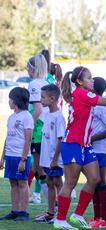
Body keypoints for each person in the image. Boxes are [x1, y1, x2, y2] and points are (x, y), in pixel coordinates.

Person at [53, 66, 106, 230]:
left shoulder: (81, 94)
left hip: (84, 144)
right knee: (70, 183)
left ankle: (77, 214)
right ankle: (60, 220)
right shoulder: (82, 93)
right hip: (73, 143)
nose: (92, 80)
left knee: (95, 179)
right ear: (80, 82)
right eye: (89, 78)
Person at [0, 87, 34, 221]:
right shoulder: (11, 117)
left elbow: (28, 139)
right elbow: (8, 138)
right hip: (10, 156)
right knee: (13, 183)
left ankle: (23, 212)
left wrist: (23, 159)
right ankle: (14, 211)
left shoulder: (27, 117)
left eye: (10, 99)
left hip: (21, 157)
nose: (9, 101)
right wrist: (2, 157)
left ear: (16, 101)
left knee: (22, 183)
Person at [88, 77, 106, 229]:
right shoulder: (92, 103)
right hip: (91, 147)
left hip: (101, 147)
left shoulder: (101, 106)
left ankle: (105, 219)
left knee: (100, 180)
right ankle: (96, 216)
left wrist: (92, 137)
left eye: (91, 82)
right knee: (93, 181)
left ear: (94, 87)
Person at [34, 84, 65, 224]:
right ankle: (50, 212)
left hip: (55, 159)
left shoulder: (59, 117)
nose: (41, 100)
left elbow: (60, 139)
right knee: (49, 182)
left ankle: (61, 213)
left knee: (58, 183)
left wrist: (55, 159)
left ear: (52, 99)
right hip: (47, 158)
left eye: (43, 97)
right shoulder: (46, 115)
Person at [27, 54, 49, 205]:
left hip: (38, 129)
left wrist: (28, 126)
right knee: (37, 167)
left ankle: (52, 207)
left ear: (32, 68)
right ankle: (52, 207)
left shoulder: (34, 84)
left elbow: (37, 110)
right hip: (46, 128)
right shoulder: (45, 82)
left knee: (41, 169)